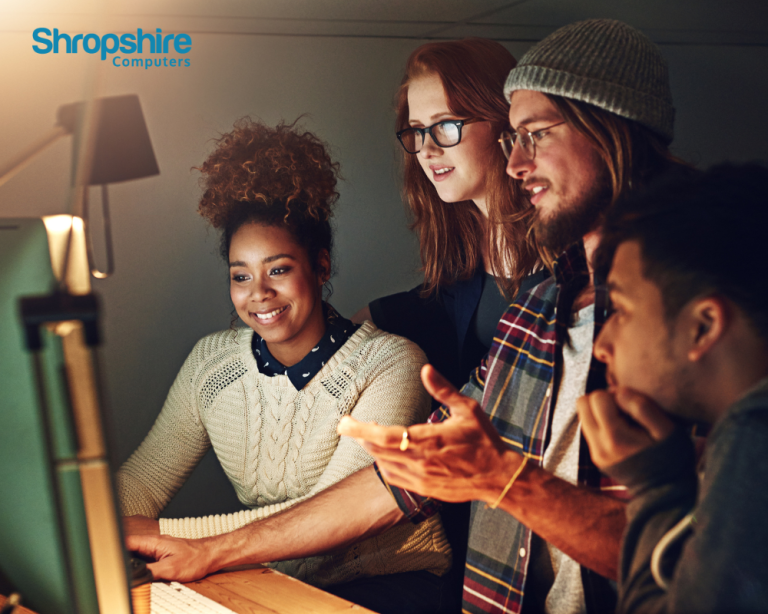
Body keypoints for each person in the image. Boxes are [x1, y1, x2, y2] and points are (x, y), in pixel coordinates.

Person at [338, 19, 692, 614]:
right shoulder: (539, 307)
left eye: (534, 134)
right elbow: (410, 481)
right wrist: (211, 549)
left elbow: (702, 558)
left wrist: (504, 478)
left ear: (608, 132)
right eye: (511, 140)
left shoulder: (710, 304)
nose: (516, 163)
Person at [119, 119, 451, 601]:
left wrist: (166, 537)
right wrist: (97, 526)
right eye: (240, 276)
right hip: (267, 575)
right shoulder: (212, 364)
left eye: (278, 270)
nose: (259, 294)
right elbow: (143, 480)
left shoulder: (391, 365)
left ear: (320, 266)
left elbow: (327, 522)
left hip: (389, 585)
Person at [578, 164, 768, 613]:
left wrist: (655, 485)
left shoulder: (754, 435)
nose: (602, 345)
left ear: (703, 326)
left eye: (620, 310)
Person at [353, 38, 543, 389]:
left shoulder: (563, 241)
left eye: (446, 125)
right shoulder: (469, 246)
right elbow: (424, 305)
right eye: (417, 130)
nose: (426, 149)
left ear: (504, 121)